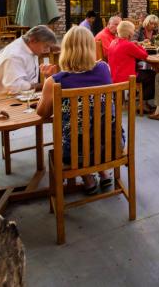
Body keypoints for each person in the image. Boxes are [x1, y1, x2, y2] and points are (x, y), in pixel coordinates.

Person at [35, 26, 117, 195]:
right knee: (94, 125)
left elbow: (43, 113)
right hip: (112, 144)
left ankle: (88, 178)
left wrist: (46, 81)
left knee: (79, 136)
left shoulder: (55, 81)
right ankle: (102, 172)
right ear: (91, 47)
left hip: (74, 153)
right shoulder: (104, 69)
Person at [0, 25, 58, 94]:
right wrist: (43, 85)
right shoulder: (15, 55)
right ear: (33, 40)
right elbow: (13, 86)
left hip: (24, 95)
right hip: (5, 99)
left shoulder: (28, 46)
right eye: (46, 46)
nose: (46, 50)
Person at [108, 20, 156, 111]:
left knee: (147, 74)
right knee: (152, 75)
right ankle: (143, 103)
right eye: (133, 30)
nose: (134, 32)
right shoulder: (128, 45)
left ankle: (139, 98)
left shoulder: (113, 42)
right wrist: (138, 45)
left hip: (114, 76)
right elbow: (144, 55)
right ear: (129, 33)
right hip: (127, 77)